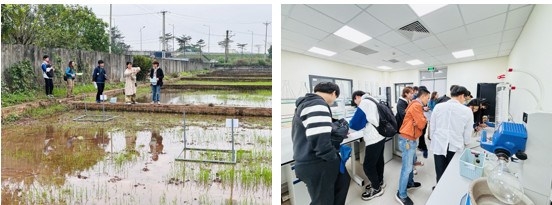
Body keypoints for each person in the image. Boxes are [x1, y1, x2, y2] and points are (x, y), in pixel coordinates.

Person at [291, 82, 348, 205]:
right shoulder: (316, 104)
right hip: (317, 162)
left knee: (342, 183)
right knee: (323, 201)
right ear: (334, 93)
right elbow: (321, 143)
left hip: (316, 160)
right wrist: (333, 157)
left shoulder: (309, 103)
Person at [430, 86, 473, 186]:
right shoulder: (467, 111)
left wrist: (433, 139)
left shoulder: (438, 107)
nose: (464, 100)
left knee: (439, 170)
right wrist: (466, 143)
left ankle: (438, 189)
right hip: (455, 146)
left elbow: (432, 126)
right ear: (462, 96)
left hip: (439, 144)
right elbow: (468, 131)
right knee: (451, 171)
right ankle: (447, 190)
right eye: (465, 98)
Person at [349, 91, 386, 200]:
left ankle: (376, 188)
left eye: (355, 102)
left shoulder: (364, 103)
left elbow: (355, 124)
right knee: (379, 161)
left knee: (368, 166)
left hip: (373, 138)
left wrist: (347, 130)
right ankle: (379, 181)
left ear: (356, 97)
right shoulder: (373, 100)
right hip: (381, 135)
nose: (356, 104)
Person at [396, 86, 430, 205]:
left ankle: (409, 184)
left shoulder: (415, 104)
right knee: (407, 168)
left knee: (410, 164)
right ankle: (401, 194)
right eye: (428, 98)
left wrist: (421, 120)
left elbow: (420, 122)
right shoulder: (416, 105)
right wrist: (422, 120)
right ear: (424, 96)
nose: (428, 100)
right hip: (407, 140)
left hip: (410, 139)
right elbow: (421, 124)